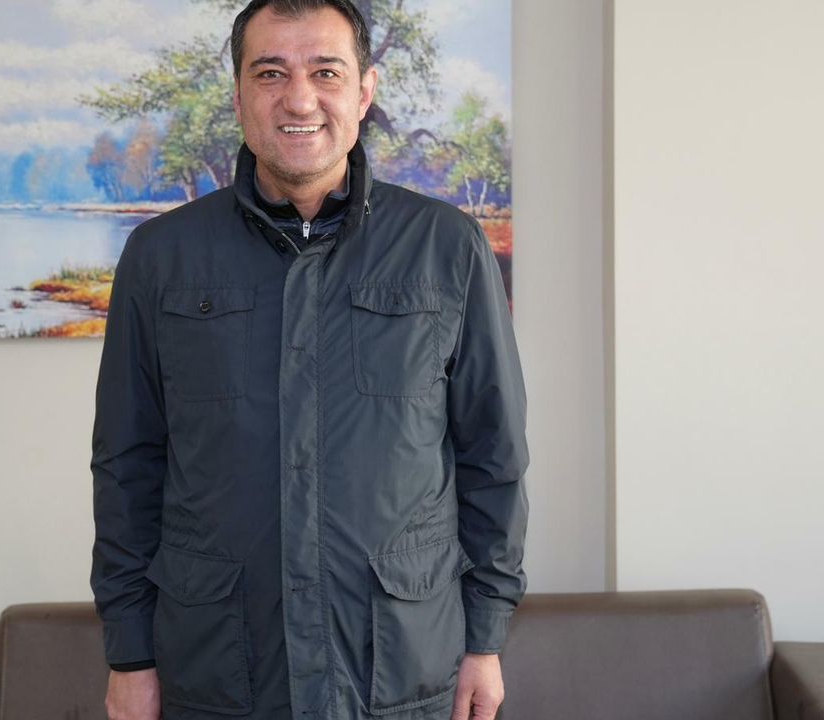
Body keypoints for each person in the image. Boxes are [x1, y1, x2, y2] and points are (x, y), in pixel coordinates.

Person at [89, 1, 529, 719]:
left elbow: (493, 456)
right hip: (217, 672)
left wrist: (485, 637)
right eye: (270, 73)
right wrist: (129, 653)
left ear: (364, 91)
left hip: (403, 668)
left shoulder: (447, 247)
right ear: (238, 96)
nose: (299, 99)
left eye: (326, 72)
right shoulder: (161, 257)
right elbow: (127, 467)